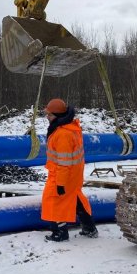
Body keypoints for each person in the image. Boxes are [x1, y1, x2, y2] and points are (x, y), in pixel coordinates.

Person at [41, 98, 98, 242]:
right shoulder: (70, 127)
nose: (47, 117)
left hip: (62, 175)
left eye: (50, 115)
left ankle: (59, 232)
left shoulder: (63, 134)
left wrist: (60, 183)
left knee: (54, 202)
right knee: (75, 199)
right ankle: (89, 227)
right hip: (73, 174)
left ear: (58, 116)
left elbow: (63, 162)